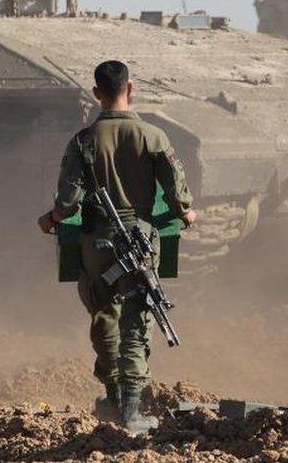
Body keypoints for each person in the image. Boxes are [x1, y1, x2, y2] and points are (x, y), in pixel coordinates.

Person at [37, 61, 196, 434]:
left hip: (97, 242)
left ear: (97, 93)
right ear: (132, 88)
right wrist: (186, 214)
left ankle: (112, 397)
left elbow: (68, 202)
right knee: (137, 323)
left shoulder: (83, 141)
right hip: (140, 239)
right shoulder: (154, 137)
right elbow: (176, 195)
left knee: (104, 316)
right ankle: (132, 409)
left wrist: (51, 220)